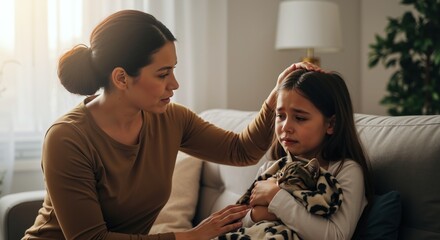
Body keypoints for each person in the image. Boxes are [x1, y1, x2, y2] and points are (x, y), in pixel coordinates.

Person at [22, 9, 318, 240]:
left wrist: (276, 94)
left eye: (173, 70)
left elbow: (241, 151)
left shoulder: (171, 119)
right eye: (163, 74)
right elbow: (90, 238)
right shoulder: (67, 138)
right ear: (121, 78)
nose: (174, 84)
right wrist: (190, 236)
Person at [239, 69, 374, 239]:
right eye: (280, 116)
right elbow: (238, 221)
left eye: (300, 118)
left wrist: (275, 198)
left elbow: (336, 235)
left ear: (331, 124)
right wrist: (257, 215)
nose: (285, 127)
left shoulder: (345, 171)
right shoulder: (270, 169)